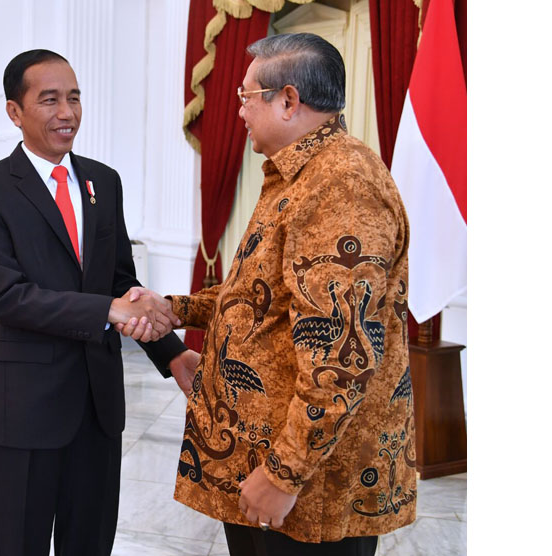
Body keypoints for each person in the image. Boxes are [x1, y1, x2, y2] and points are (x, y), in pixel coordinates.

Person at [122, 33, 415, 556]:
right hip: (268, 460)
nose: (238, 111)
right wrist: (174, 310)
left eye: (244, 97)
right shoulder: (300, 173)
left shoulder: (341, 187)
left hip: (310, 488)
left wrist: (284, 473)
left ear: (287, 100)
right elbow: (262, 295)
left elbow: (343, 353)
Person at [0, 49, 198, 556]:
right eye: (49, 100)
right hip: (23, 407)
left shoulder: (102, 182)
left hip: (97, 405)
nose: (67, 112)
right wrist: (105, 310)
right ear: (14, 112)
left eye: (73, 97)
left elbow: (122, 282)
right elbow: (8, 298)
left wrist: (172, 353)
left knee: (89, 544)